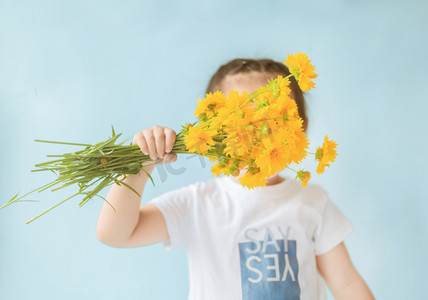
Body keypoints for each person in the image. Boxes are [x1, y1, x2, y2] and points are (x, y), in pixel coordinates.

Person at [96, 58, 375, 299]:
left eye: (274, 120)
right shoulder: (198, 204)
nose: (257, 132)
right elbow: (117, 233)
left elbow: (347, 284)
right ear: (212, 131)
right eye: (241, 119)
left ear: (299, 132)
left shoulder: (313, 202)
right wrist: (137, 168)